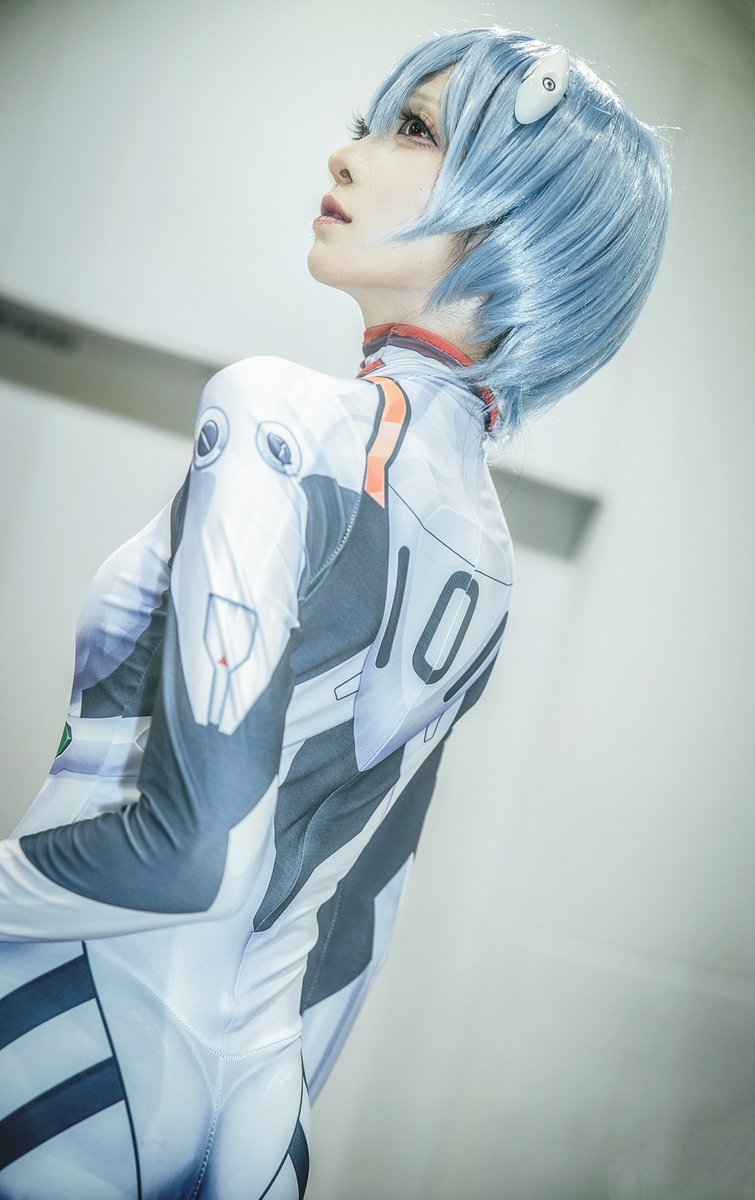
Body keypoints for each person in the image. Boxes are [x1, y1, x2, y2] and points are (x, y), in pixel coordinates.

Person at [0, 24, 670, 1200]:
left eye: (411, 129)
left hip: (71, 1028)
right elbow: (358, 913)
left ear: (521, 209)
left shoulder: (279, 415)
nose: (347, 154)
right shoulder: (489, 551)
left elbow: (191, 855)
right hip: (264, 1105)